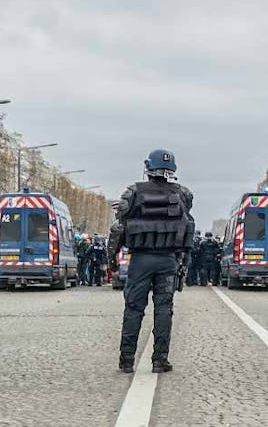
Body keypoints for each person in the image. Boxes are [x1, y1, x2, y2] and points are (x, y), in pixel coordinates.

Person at [111, 149, 195, 374]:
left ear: (148, 168)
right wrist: (184, 261)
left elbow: (119, 228)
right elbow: (188, 227)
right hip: (168, 260)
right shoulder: (183, 195)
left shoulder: (133, 192)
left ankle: (126, 360)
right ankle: (160, 360)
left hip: (140, 260)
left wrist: (111, 260)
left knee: (133, 308)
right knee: (164, 310)